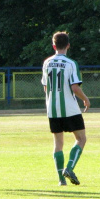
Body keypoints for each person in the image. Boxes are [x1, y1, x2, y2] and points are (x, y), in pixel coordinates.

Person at [41, 31, 90, 186]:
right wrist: (86, 99)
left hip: (52, 109)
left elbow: (45, 87)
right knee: (81, 138)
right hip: (69, 108)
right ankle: (69, 168)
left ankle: (61, 180)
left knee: (58, 143)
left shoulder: (47, 62)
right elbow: (75, 87)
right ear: (68, 45)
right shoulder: (71, 63)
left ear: (54, 45)